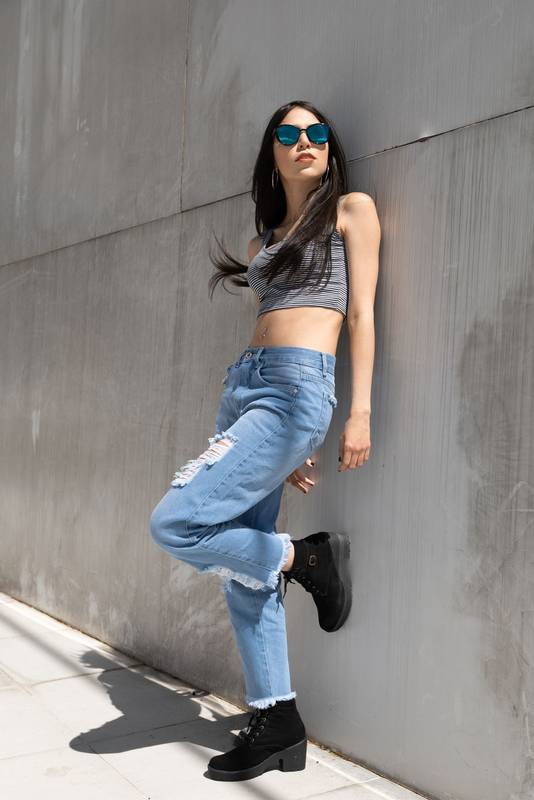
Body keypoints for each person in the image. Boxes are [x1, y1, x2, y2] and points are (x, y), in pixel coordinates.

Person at [149, 99, 381, 782]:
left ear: (329, 150)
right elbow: (271, 322)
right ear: (273, 154)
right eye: (289, 133)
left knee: (179, 521)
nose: (305, 141)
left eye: (317, 133)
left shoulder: (350, 212)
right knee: (242, 572)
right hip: (247, 394)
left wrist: (355, 413)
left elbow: (362, 313)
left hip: (296, 391)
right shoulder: (260, 246)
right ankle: (277, 719)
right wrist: (281, 448)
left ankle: (304, 558)